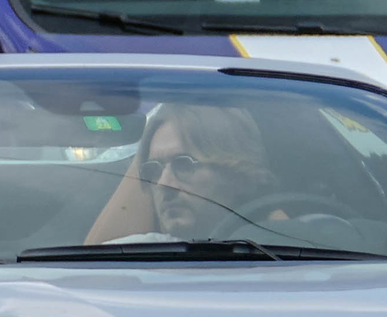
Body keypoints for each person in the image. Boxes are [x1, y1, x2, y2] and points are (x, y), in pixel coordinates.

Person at [83, 103, 282, 243]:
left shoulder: (296, 251)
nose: (163, 184)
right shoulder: (135, 258)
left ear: (238, 175)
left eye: (184, 165)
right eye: (154, 170)